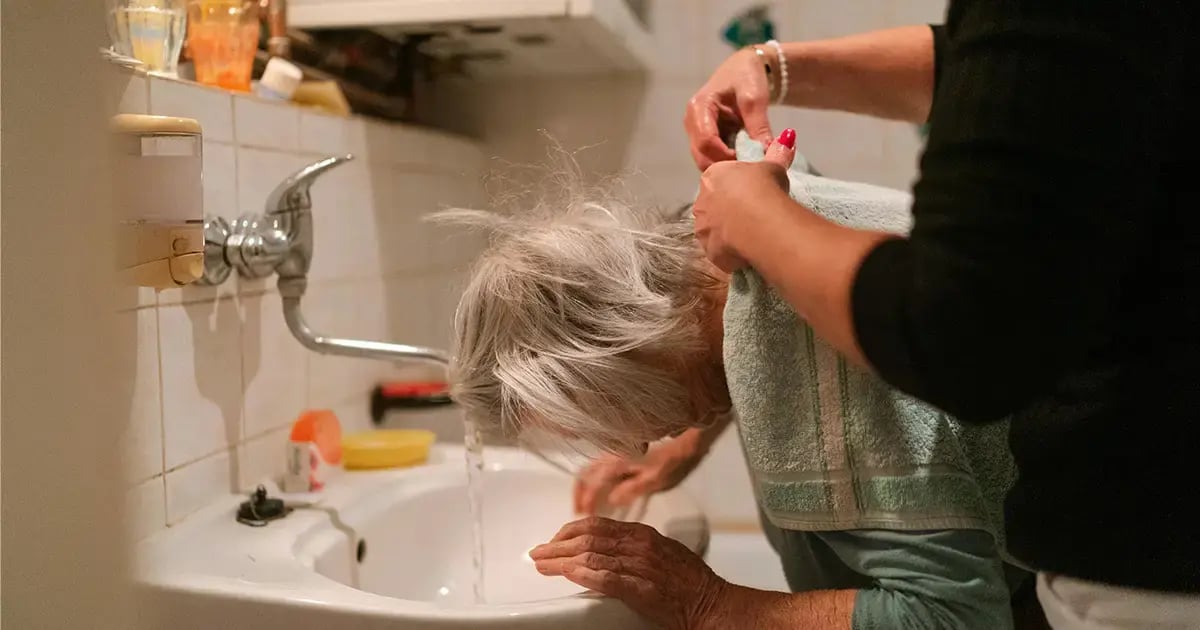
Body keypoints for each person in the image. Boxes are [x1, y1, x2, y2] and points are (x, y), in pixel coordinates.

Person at [686, 5, 1199, 629]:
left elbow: (961, 331)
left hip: (1155, 541)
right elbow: (1031, 72)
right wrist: (776, 67)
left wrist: (757, 220)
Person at [438, 138, 1032, 629]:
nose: (633, 447)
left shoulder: (811, 351)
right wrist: (691, 437)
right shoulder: (741, 242)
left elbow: (961, 617)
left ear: (623, 346)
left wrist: (708, 604)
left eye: (609, 416)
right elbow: (749, 343)